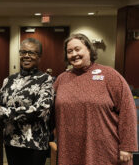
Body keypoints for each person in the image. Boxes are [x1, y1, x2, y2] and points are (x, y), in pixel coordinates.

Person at [54, 33, 138, 165]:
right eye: (69, 51)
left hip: (104, 150)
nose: (73, 54)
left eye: (77, 49)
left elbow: (128, 111)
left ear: (89, 49)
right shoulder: (61, 79)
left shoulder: (109, 75)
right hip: (69, 150)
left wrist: (127, 147)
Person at [0, 38, 54, 165]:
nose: (26, 56)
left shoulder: (45, 80)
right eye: (23, 52)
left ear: (39, 57)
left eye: (31, 53)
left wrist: (4, 112)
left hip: (34, 144)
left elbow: (39, 110)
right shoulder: (9, 80)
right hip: (12, 141)